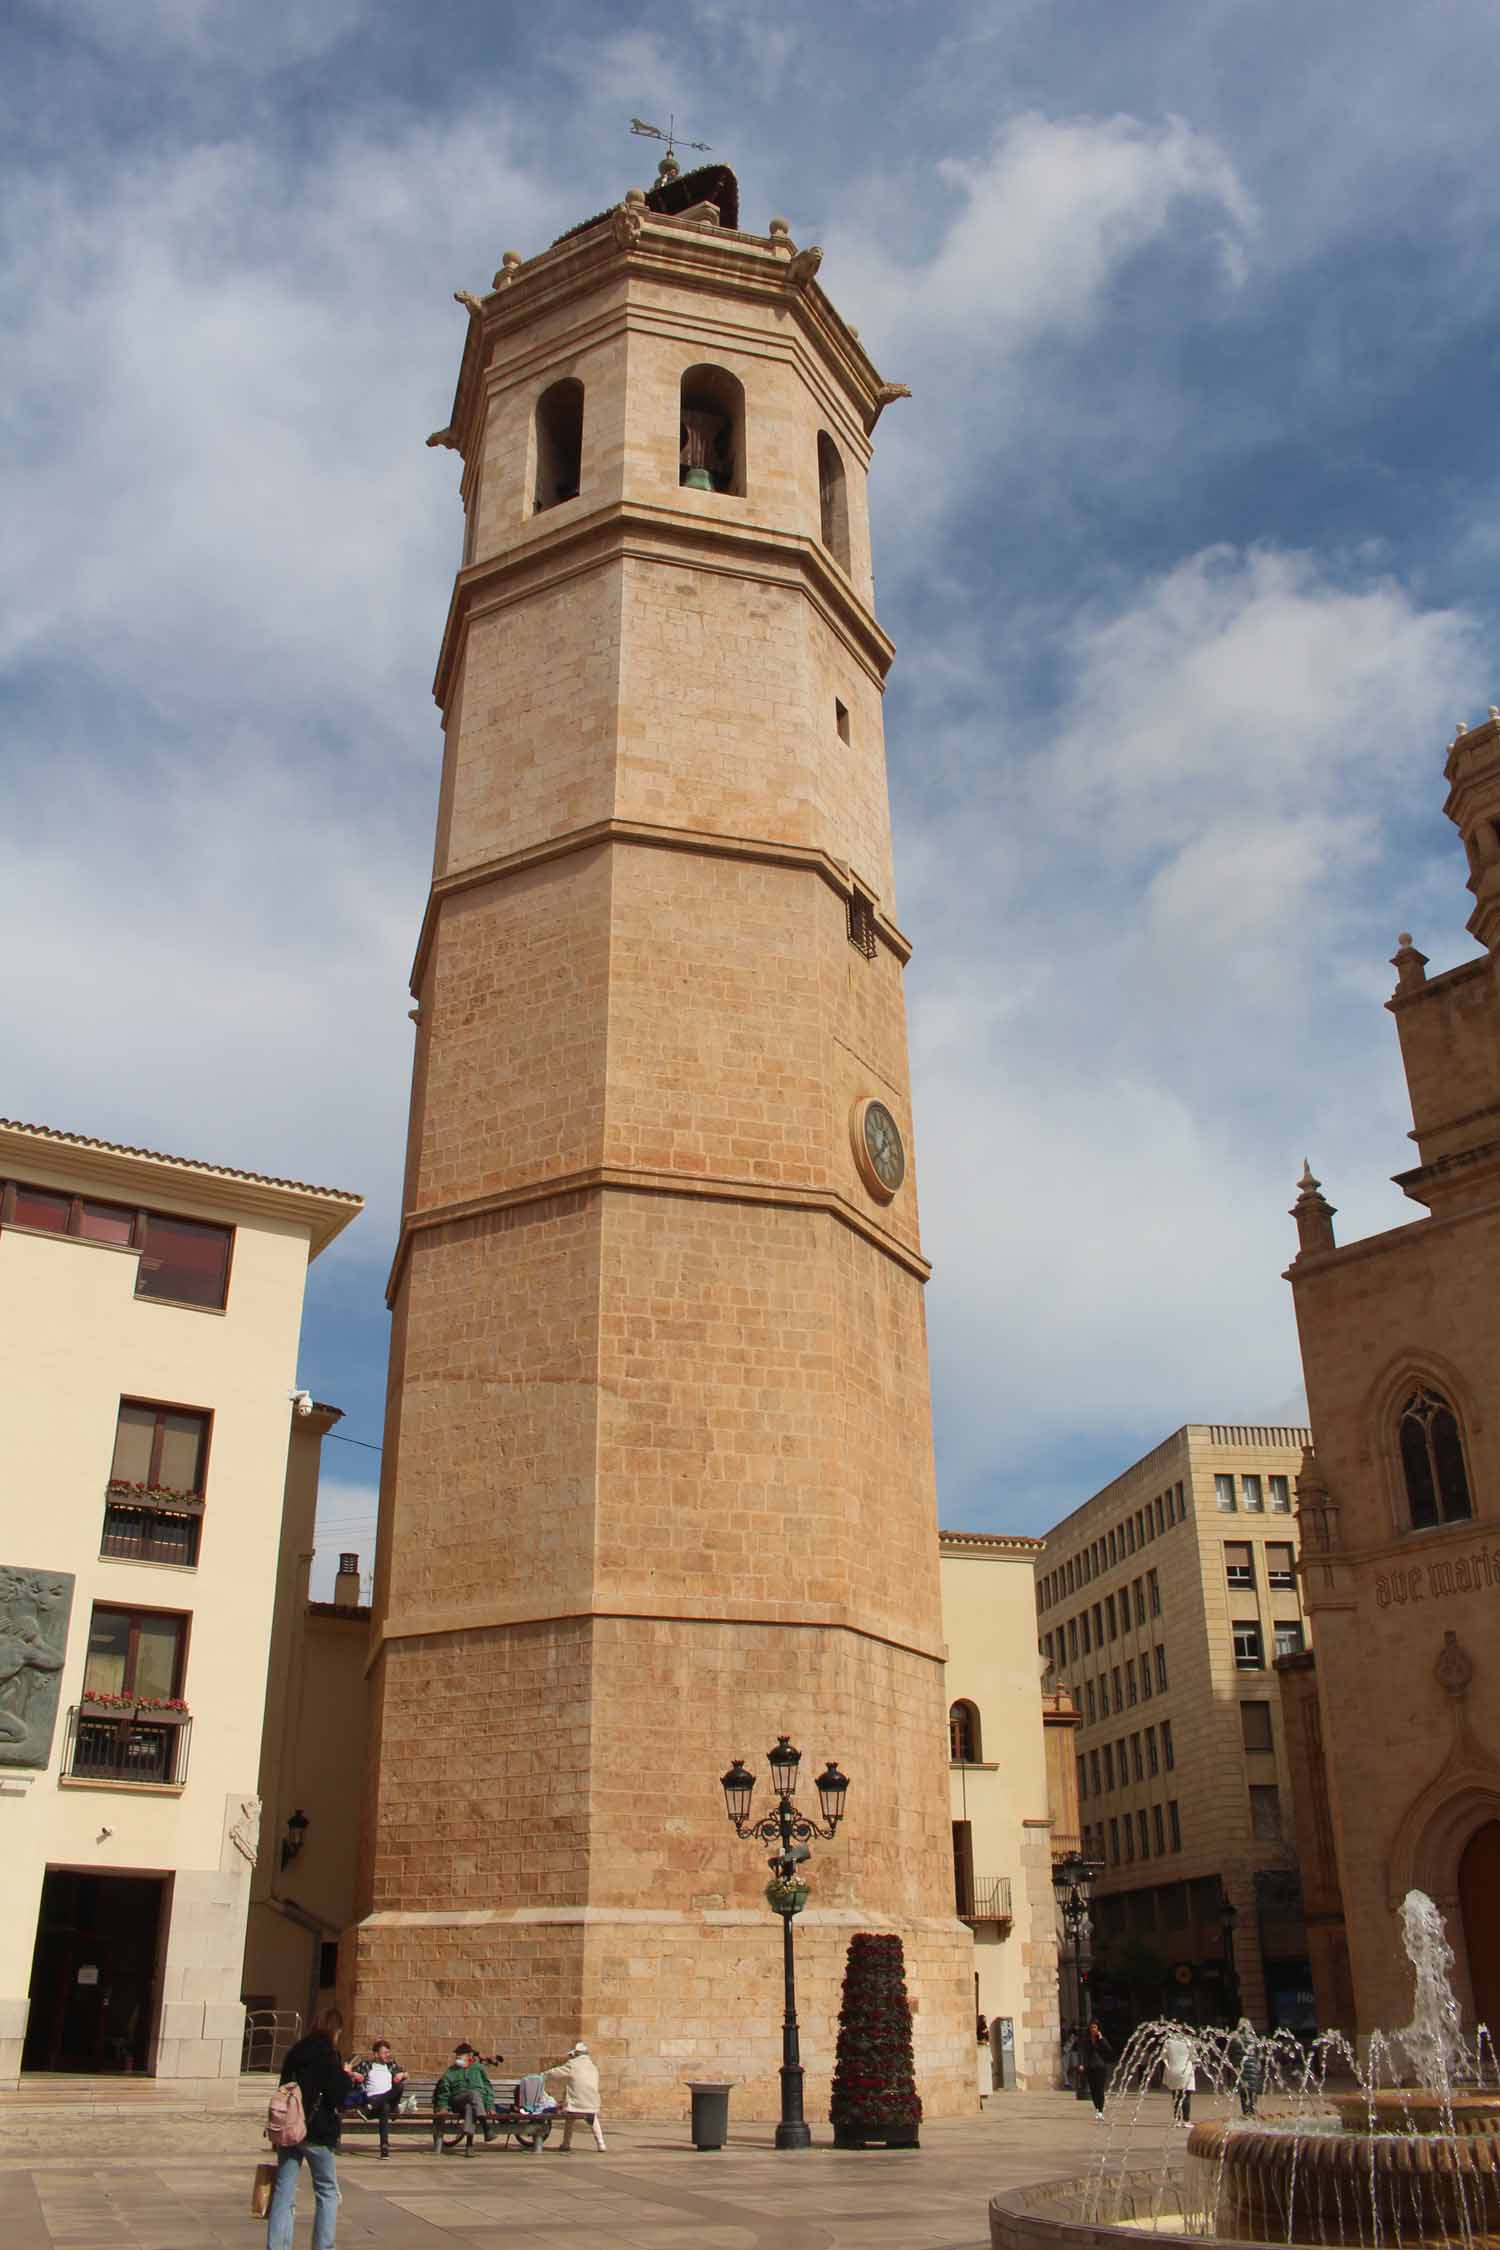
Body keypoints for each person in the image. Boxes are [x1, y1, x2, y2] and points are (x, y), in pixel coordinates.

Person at [267, 2007, 353, 2250]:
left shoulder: (295, 2052)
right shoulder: (328, 2055)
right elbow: (337, 2096)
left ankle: (277, 2246)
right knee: (326, 2191)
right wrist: (345, 2076)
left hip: (290, 2130)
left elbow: (284, 2089)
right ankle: (323, 2246)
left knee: (284, 2191)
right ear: (335, 2030)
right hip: (317, 2132)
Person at [433, 2042, 496, 2157]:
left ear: (469, 2056)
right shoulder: (451, 2071)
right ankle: (485, 2126)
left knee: (470, 2106)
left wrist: (490, 2105)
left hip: (475, 2104)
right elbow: (443, 2090)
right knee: (473, 2094)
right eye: (456, 2055)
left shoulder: (478, 2068)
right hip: (457, 2100)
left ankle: (469, 2146)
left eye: (460, 2055)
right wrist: (443, 2106)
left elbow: (488, 2088)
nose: (457, 2057)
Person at [542, 2040, 607, 2150]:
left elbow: (556, 2072)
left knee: (570, 2119)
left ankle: (566, 2143)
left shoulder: (572, 2065)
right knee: (592, 2118)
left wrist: (543, 2075)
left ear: (576, 2054)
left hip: (576, 2102)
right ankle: (601, 2143)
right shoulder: (593, 2066)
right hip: (592, 2102)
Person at [353, 2039, 407, 2158]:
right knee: (385, 2107)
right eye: (384, 2052)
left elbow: (406, 2074)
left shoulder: (391, 2065)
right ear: (376, 2054)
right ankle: (384, 2147)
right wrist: (354, 2074)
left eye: (388, 2052)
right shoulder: (366, 2064)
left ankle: (369, 2107)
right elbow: (350, 2072)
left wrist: (402, 2075)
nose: (387, 2055)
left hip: (380, 2103)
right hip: (372, 2101)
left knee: (400, 2086)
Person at [1228, 2018, 1265, 2118]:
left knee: (1243, 2091)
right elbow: (1260, 2055)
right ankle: (1253, 2112)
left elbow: (1230, 2054)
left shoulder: (1235, 2039)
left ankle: (1245, 2112)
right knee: (1252, 2090)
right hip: (1252, 2068)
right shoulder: (1253, 2039)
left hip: (1240, 2068)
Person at [1161, 2025, 1195, 2126]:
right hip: (1185, 2071)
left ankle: (1177, 2119)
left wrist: (1169, 2066)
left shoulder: (1168, 2042)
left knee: (1176, 2096)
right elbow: (1193, 2057)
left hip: (1172, 2070)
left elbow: (1163, 2057)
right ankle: (1186, 2120)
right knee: (1186, 2096)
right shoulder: (1188, 2042)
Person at [1081, 2020, 1113, 2119]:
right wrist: (1082, 2064)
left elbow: (1108, 2049)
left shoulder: (1101, 2039)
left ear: (1098, 2028)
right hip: (1090, 2067)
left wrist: (1101, 2038)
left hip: (1100, 2067)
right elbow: (1084, 2053)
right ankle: (1097, 2109)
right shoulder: (1086, 2040)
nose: (1093, 2029)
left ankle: (1100, 2110)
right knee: (1093, 2090)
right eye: (1091, 2027)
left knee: (1100, 2089)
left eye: (1095, 2027)